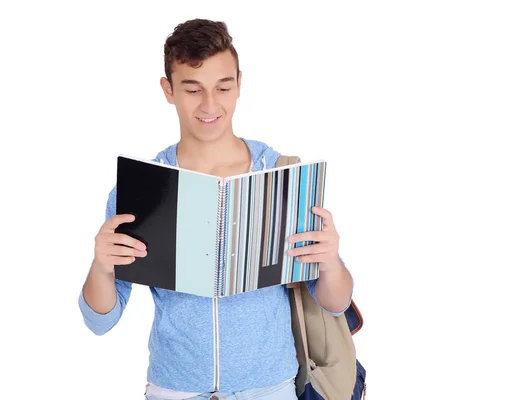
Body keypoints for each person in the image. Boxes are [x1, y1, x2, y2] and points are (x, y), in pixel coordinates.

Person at [78, 18, 354, 400]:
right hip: (174, 390)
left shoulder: (281, 174)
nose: (210, 105)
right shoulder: (141, 188)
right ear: (168, 89)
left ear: (239, 84)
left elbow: (335, 302)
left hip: (269, 388)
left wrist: (330, 260)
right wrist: (101, 265)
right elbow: (99, 320)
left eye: (223, 87)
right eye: (192, 89)